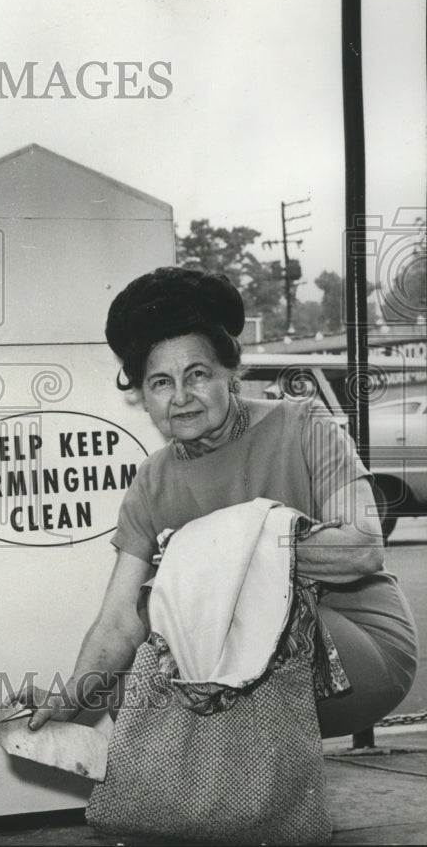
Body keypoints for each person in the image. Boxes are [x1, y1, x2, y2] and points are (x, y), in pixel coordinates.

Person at [25, 267, 418, 740]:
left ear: (232, 375)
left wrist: (223, 553)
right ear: (143, 397)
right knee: (134, 688)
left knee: (201, 623)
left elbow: (362, 549)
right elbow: (118, 622)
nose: (182, 397)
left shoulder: (304, 425)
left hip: (359, 645)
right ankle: (249, 804)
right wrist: (69, 700)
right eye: (161, 383)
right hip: (248, 660)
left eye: (198, 374)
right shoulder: (153, 481)